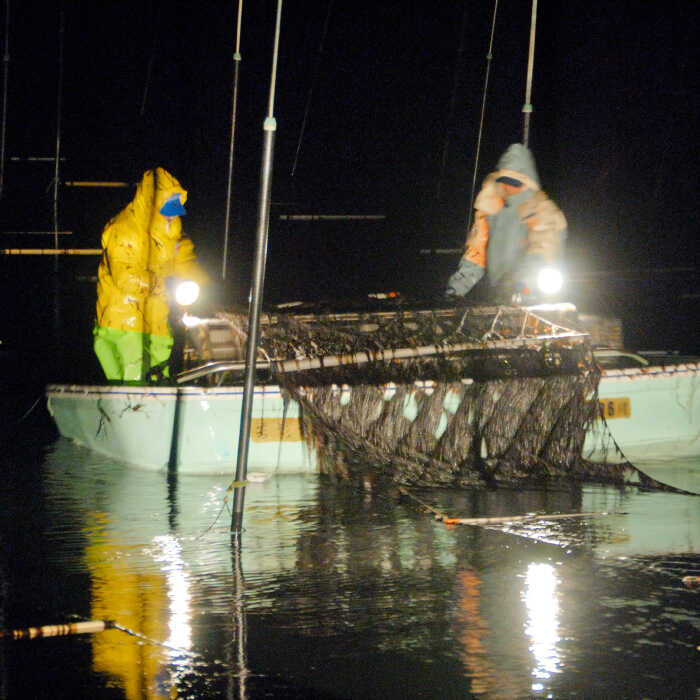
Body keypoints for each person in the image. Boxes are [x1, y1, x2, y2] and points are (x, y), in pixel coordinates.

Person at [93, 167, 209, 383]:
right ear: (151, 203)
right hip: (123, 322)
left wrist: (201, 284)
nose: (173, 214)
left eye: (176, 207)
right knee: (133, 379)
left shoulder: (171, 230)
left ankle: (156, 408)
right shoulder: (124, 230)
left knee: (158, 377)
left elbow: (184, 258)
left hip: (157, 321)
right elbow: (125, 277)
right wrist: (163, 285)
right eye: (168, 207)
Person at [445, 143, 567, 303]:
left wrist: (519, 281)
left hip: (535, 296)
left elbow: (544, 249)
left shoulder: (541, 210)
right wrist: (455, 290)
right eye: (505, 180)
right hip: (498, 296)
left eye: (515, 182)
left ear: (526, 182)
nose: (509, 186)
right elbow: (476, 256)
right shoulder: (490, 211)